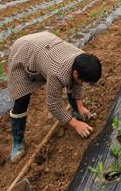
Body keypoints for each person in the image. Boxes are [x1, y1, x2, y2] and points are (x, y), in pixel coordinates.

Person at [6, 31, 102, 162]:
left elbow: (77, 83)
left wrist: (80, 106)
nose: (84, 83)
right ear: (75, 72)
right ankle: (18, 142)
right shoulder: (57, 72)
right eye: (84, 80)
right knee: (22, 99)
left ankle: (77, 112)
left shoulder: (81, 59)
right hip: (23, 51)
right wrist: (75, 124)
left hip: (45, 44)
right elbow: (53, 104)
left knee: (73, 81)